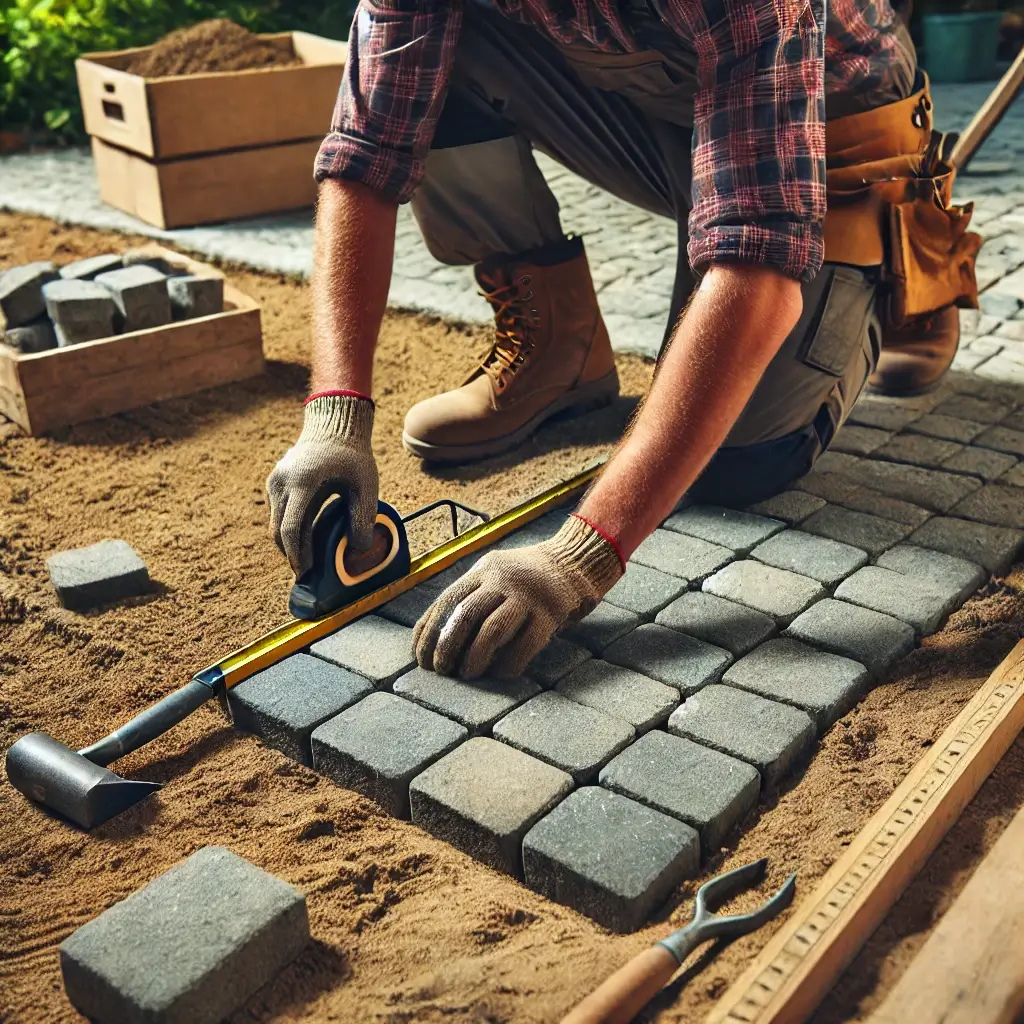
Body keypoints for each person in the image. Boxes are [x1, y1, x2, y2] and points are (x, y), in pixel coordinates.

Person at [266, 0, 980, 681]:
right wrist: (335, 415)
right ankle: (563, 354)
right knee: (440, 55)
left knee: (735, 463)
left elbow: (756, 273)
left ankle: (909, 260)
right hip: (664, 98)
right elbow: (366, 150)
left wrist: (582, 557)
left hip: (831, 125)